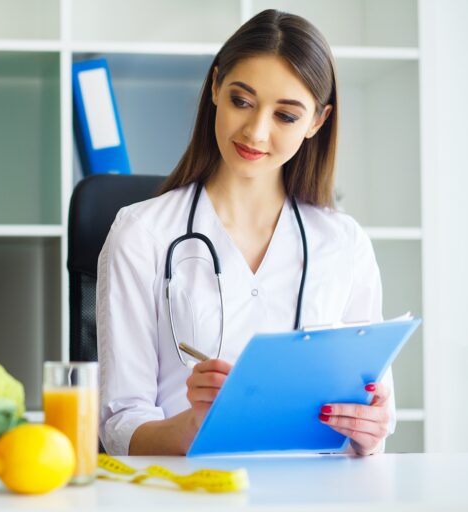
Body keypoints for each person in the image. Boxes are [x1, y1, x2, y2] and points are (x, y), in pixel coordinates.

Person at [96, 9, 396, 457]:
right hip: (187, 492)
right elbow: (120, 424)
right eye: (242, 101)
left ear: (317, 121)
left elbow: (373, 411)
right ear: (215, 86)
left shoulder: (344, 244)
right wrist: (191, 429)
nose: (256, 132)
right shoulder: (142, 234)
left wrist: (370, 433)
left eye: (286, 116)